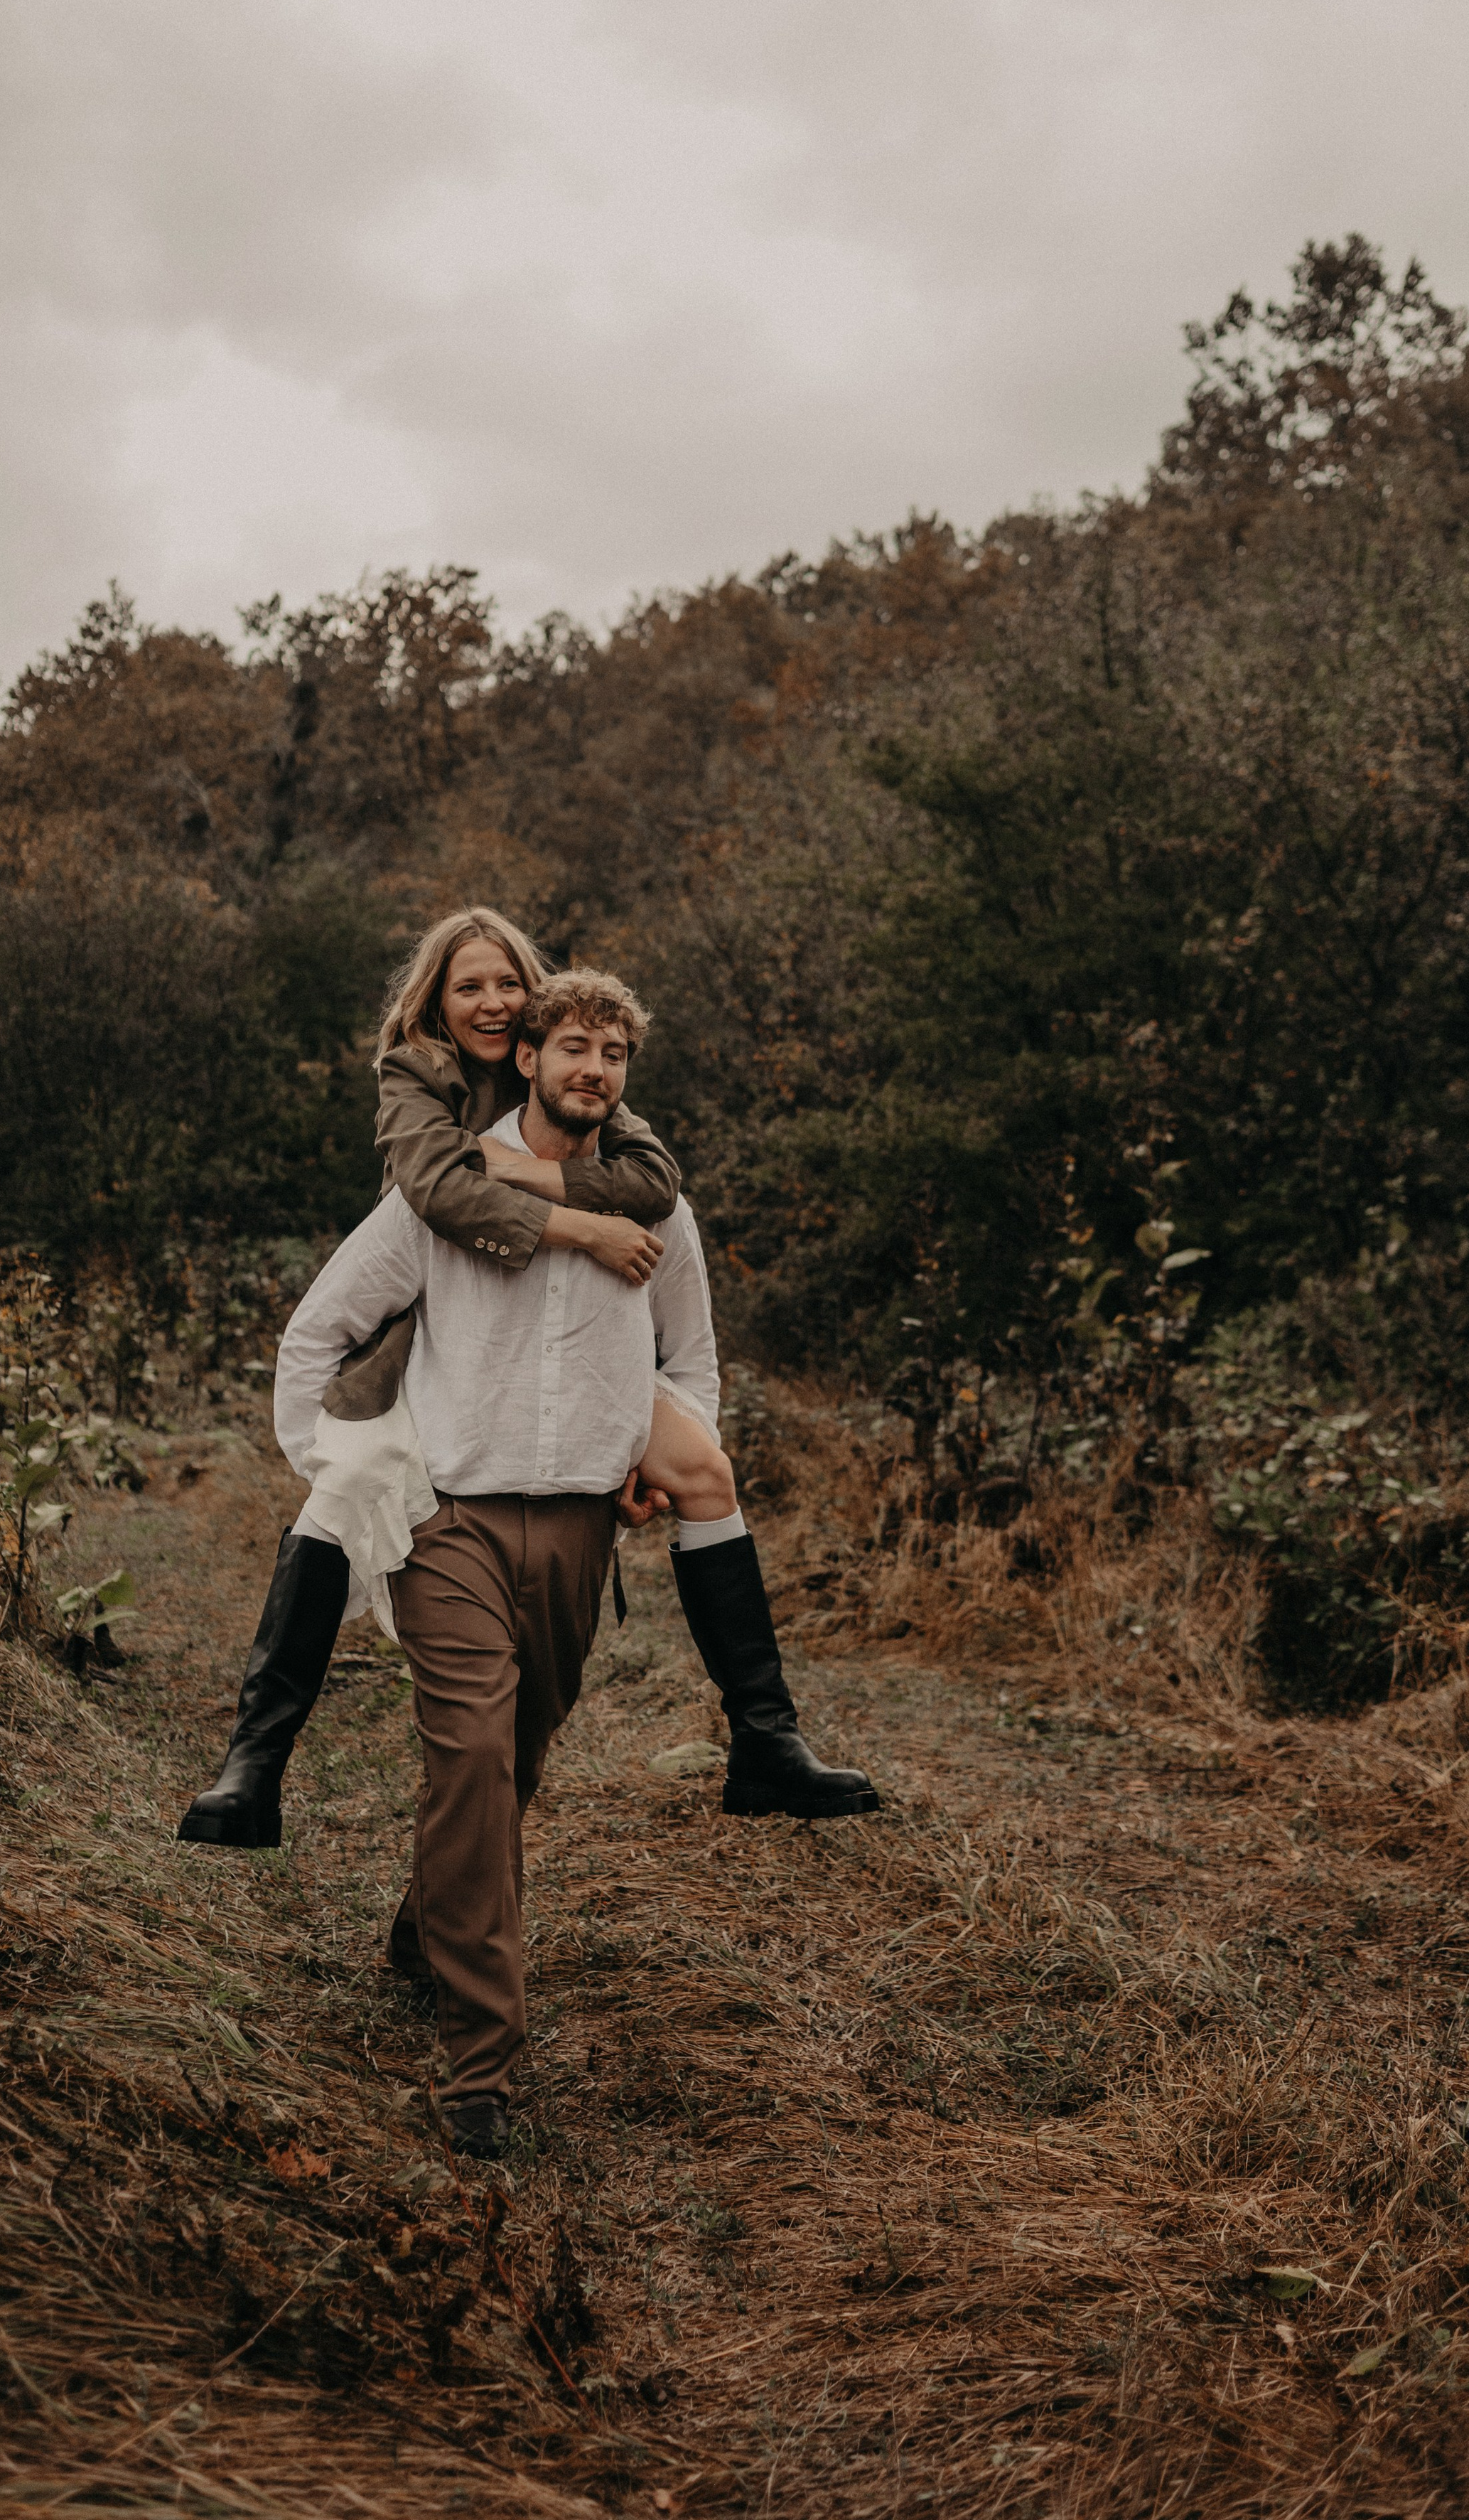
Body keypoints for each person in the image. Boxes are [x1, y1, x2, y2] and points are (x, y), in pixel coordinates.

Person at [270, 971, 858, 2157]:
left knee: (515, 1762)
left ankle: (425, 1931)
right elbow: (316, 1333)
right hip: (449, 1524)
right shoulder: (443, 1198)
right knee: (474, 1755)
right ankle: (479, 2066)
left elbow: (692, 1364)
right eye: (573, 1046)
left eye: (613, 1054)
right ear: (527, 1058)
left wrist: (655, 1453)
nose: (594, 1069)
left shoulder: (659, 1211)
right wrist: (343, 1474)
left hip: (583, 1532)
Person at [178, 906, 873, 1850]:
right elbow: (440, 1194)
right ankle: (255, 1762)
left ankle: (765, 1735)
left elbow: (656, 1191)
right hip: (437, 1344)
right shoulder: (416, 1076)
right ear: (447, 1006)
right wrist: (574, 1221)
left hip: (583, 1378)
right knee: (342, 1492)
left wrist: (646, 1449)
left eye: (510, 984)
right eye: (470, 986)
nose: (495, 1002)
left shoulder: (582, 1073)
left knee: (706, 1471)